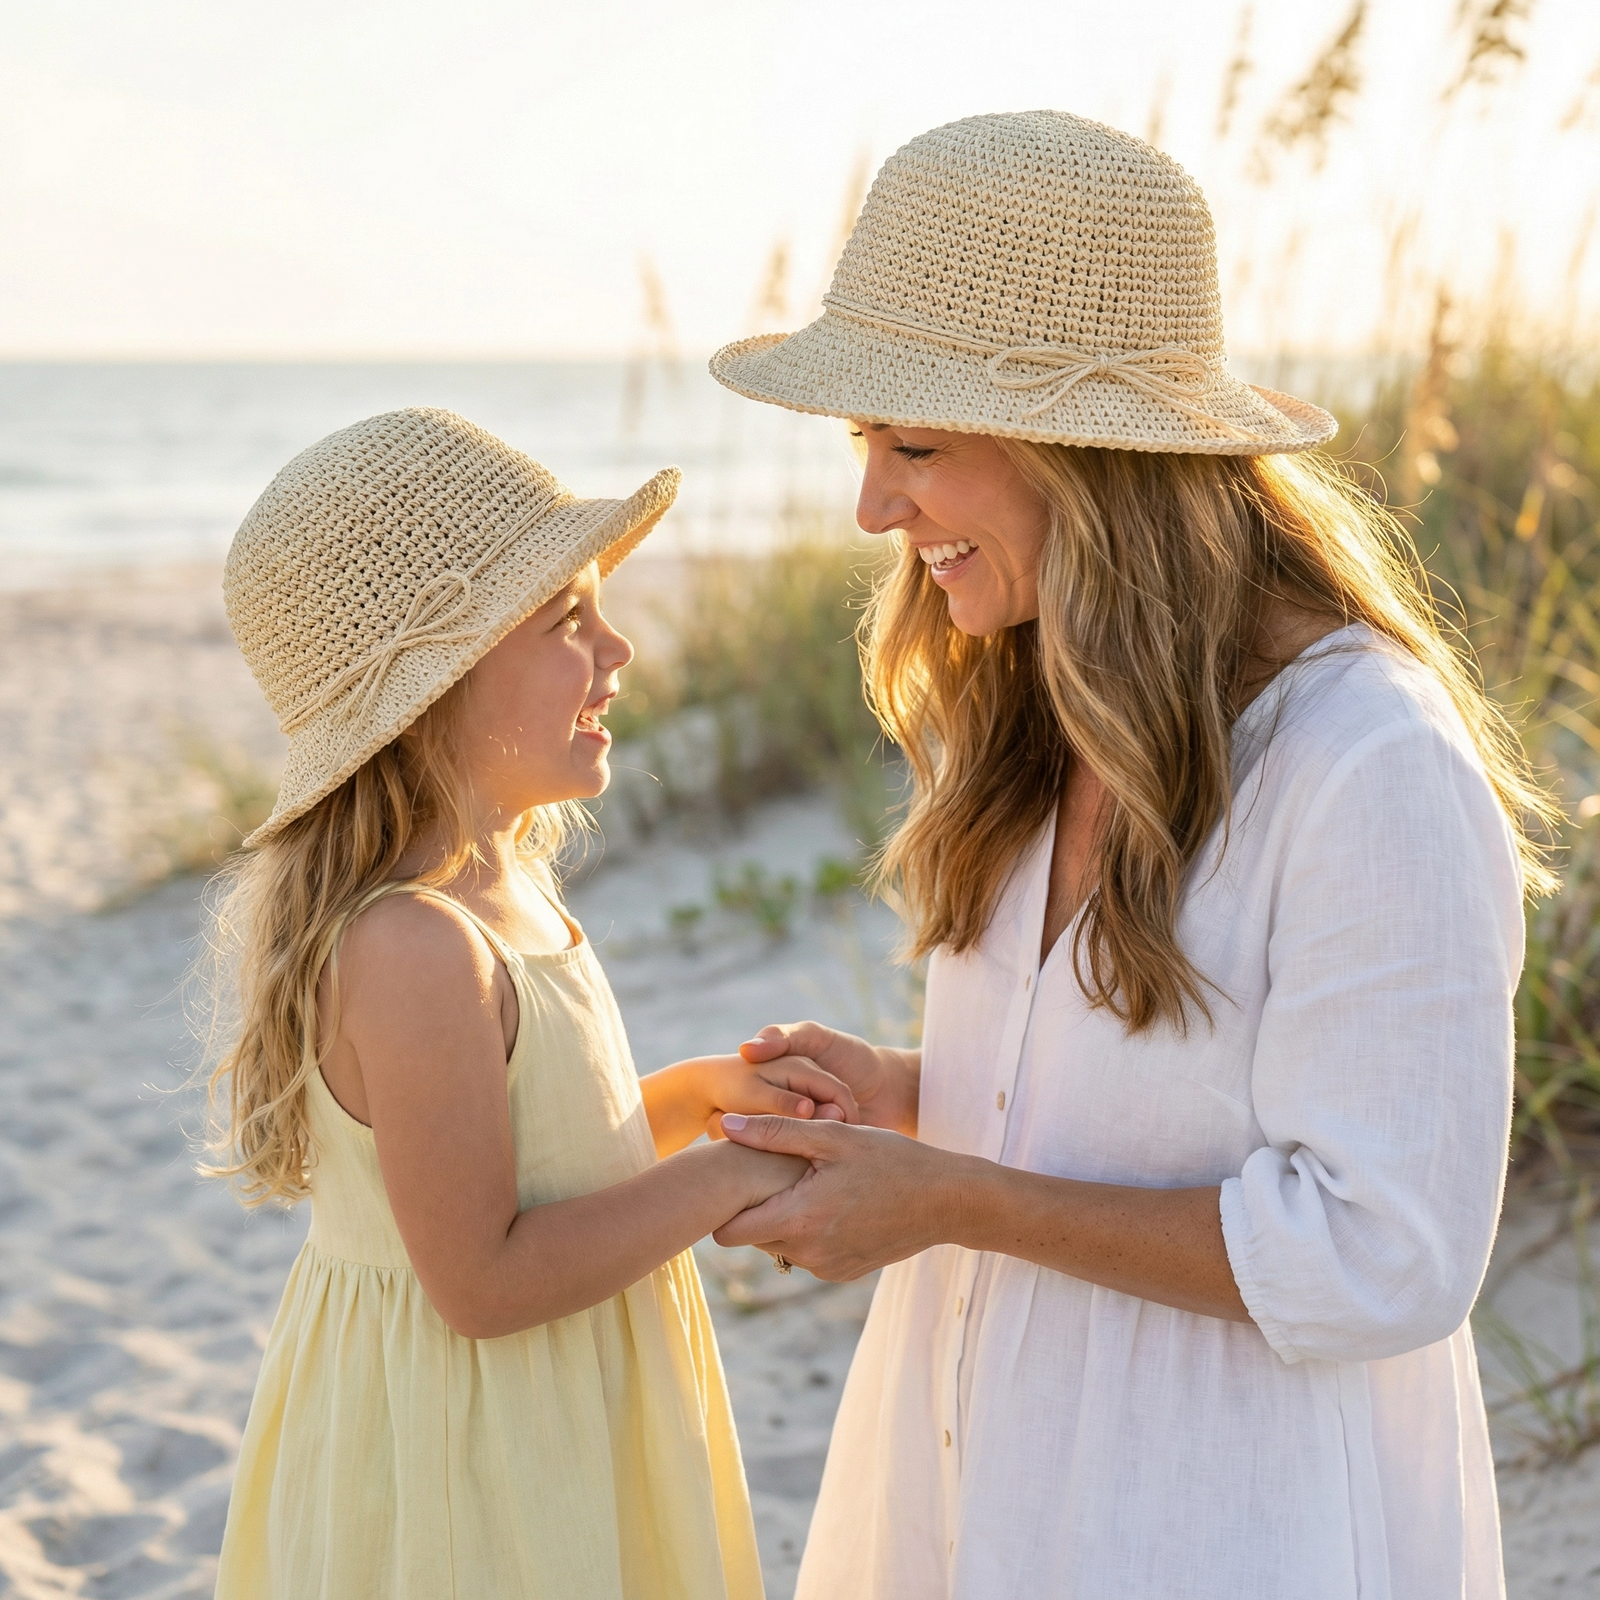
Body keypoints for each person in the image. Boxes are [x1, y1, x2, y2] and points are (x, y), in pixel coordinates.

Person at [703, 111, 1546, 1598]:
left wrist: (955, 1199)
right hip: (987, 1474)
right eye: (865, 447)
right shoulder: (1037, 703)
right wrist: (928, 1104)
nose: (873, 508)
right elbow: (1154, 1108)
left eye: (914, 445)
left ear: (1085, 460)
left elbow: (1384, 1256)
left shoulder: (1369, 764)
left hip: (1213, 1519)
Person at [202, 407, 856, 1599]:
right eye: (567, 620)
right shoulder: (412, 945)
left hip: (558, 1405)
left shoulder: (509, 888)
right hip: (469, 1460)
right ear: (432, 684)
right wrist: (733, 1174)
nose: (618, 650)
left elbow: (539, 1171)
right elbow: (484, 1280)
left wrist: (700, 1103)